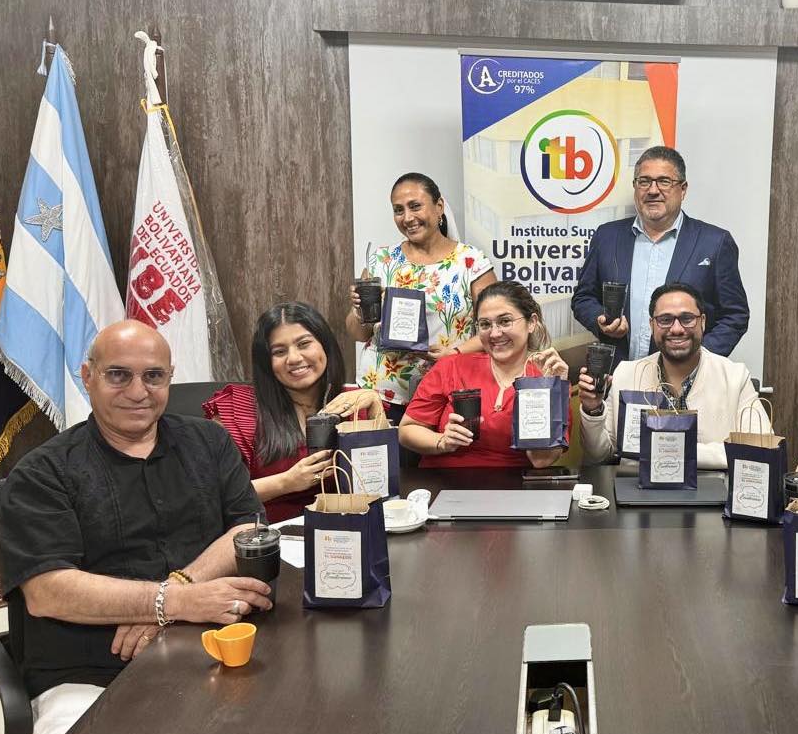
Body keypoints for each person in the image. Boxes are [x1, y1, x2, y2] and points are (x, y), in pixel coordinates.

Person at [0, 321, 275, 734]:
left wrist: (177, 592)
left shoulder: (209, 441)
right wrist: (172, 602)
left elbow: (247, 528)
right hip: (88, 676)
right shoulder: (42, 474)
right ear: (87, 376)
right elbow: (49, 591)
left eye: (153, 376)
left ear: (169, 378)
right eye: (118, 374)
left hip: (211, 648)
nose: (138, 391)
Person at [205, 302, 382, 522]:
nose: (294, 358)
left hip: (349, 532)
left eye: (304, 343)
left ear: (325, 346)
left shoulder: (353, 401)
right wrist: (287, 482)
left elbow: (381, 481)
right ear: (266, 362)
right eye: (279, 351)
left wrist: (375, 404)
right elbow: (213, 494)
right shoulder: (238, 410)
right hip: (269, 538)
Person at [570, 146, 749, 363]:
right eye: (644, 181)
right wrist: (600, 320)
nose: (653, 190)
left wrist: (699, 360)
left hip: (686, 382)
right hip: (617, 376)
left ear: (682, 189)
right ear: (635, 187)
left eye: (664, 181)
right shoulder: (607, 237)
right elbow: (583, 297)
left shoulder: (715, 243)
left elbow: (735, 315)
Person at [348, 172, 497, 425]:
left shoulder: (470, 262)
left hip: (446, 394)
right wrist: (358, 310)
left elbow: (495, 329)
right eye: (398, 210)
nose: (407, 218)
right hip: (383, 399)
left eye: (415, 206)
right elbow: (359, 334)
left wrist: (454, 352)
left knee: (442, 463)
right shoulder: (381, 261)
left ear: (439, 207)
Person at [577, 282, 768, 468]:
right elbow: (599, 456)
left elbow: (758, 450)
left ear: (702, 322)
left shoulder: (734, 377)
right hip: (638, 495)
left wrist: (674, 449)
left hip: (712, 495)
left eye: (687, 319)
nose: (676, 329)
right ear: (652, 325)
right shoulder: (626, 373)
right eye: (665, 320)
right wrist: (593, 410)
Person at [400, 281, 570, 468]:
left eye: (505, 321)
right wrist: (442, 442)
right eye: (485, 324)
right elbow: (408, 430)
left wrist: (552, 389)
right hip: (444, 482)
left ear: (532, 323)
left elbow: (541, 460)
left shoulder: (546, 379)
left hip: (511, 488)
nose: (495, 333)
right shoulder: (451, 366)